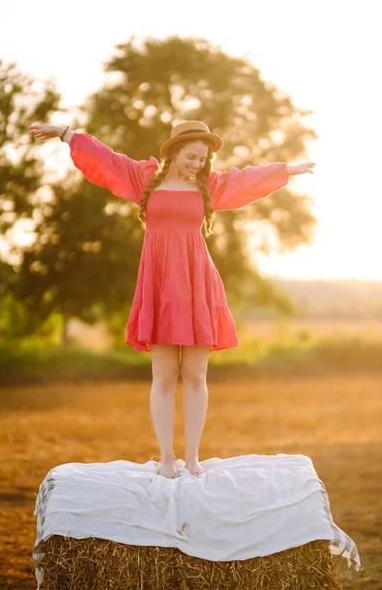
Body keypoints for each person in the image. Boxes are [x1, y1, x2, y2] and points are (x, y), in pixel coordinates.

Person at [29, 120, 315, 479]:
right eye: (192, 157)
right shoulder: (146, 179)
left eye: (203, 159)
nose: (198, 163)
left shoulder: (209, 187)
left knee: (195, 375)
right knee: (164, 376)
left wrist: (286, 169)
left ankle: (193, 458)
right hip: (160, 284)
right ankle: (166, 458)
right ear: (174, 152)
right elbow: (108, 159)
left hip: (198, 285)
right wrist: (66, 134)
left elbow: (247, 179)